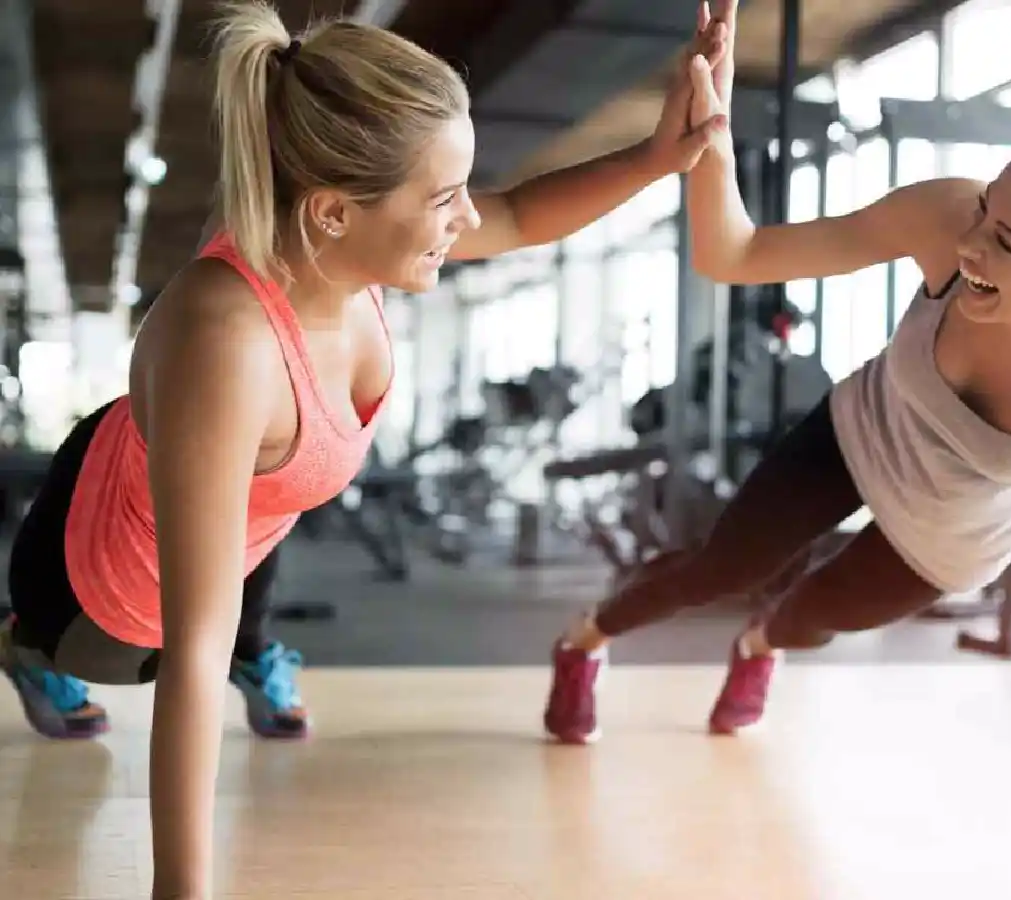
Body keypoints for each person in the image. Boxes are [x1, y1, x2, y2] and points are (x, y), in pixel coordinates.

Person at [0, 1, 727, 896]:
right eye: (441, 197)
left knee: (247, 550)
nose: (465, 217)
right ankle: (22, 648)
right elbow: (191, 657)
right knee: (150, 647)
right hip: (92, 591)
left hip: (226, 486)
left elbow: (520, 213)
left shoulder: (333, 247)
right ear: (335, 212)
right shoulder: (229, 340)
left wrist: (661, 155)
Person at [543, 2, 1011, 898]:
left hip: (951, 535)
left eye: (1005, 242)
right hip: (857, 434)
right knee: (718, 567)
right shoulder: (944, 219)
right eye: (987, 208)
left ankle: (758, 645)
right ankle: (583, 640)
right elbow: (734, 254)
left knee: (803, 620)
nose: (971, 241)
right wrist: (713, 143)